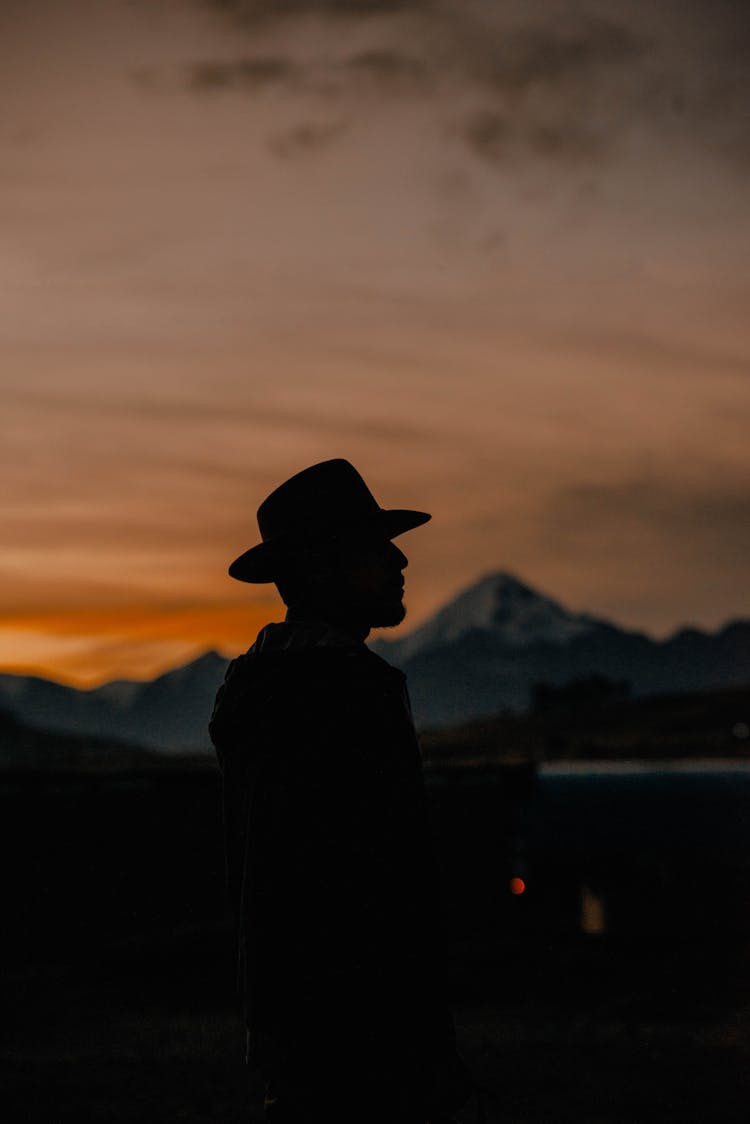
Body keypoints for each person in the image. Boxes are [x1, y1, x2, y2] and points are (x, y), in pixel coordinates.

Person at [209, 459, 471, 1124]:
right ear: (320, 566)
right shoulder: (351, 692)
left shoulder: (254, 691)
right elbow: (384, 878)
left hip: (290, 1014)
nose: (398, 560)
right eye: (372, 547)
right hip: (371, 1021)